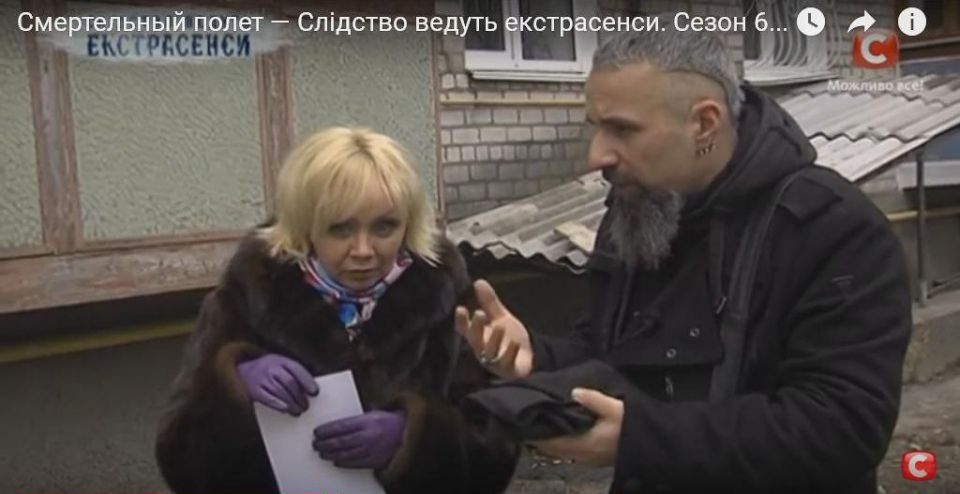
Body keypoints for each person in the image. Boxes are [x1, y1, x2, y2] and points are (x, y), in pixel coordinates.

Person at [455, 27, 912, 494]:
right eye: (596, 126)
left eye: (623, 129)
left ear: (704, 124)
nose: (597, 156)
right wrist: (535, 357)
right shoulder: (639, 209)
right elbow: (608, 351)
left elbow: (841, 428)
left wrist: (644, 439)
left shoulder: (831, 228)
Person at [156, 127, 518, 494]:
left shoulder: (448, 298)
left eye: (384, 227)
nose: (363, 250)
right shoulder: (249, 295)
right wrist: (231, 388)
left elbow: (496, 450)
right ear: (305, 225)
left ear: (408, 223)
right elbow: (180, 461)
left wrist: (415, 437)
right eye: (340, 229)